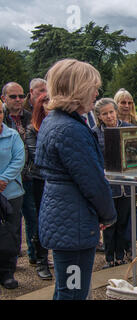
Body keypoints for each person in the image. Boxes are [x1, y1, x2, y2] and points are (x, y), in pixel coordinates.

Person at [35, 59, 117, 300]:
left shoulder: (55, 121)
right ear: (78, 88)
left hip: (64, 218)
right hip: (74, 226)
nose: (96, 93)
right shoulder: (70, 129)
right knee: (73, 292)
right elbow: (93, 182)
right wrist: (108, 214)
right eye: (93, 86)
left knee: (66, 290)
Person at [93, 98, 137, 268]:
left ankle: (121, 255)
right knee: (108, 224)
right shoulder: (94, 133)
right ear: (99, 116)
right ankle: (109, 258)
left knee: (123, 221)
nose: (109, 116)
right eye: (105, 114)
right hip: (107, 186)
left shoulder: (128, 129)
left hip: (127, 185)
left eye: (111, 112)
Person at [1, 82, 36, 266]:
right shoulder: (4, 118)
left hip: (24, 179)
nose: (18, 100)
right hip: (7, 182)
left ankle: (30, 255)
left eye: (21, 96)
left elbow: (21, 155)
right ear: (3, 98)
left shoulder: (29, 118)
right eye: (13, 96)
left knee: (26, 220)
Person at [25, 93, 53, 280]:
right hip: (40, 180)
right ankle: (41, 259)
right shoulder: (32, 130)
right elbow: (38, 156)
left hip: (56, 179)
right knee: (40, 219)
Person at [0, 105, 25, 289]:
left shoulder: (12, 135)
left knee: (11, 232)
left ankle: (8, 272)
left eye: (0, 112)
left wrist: (3, 179)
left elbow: (19, 159)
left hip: (11, 192)